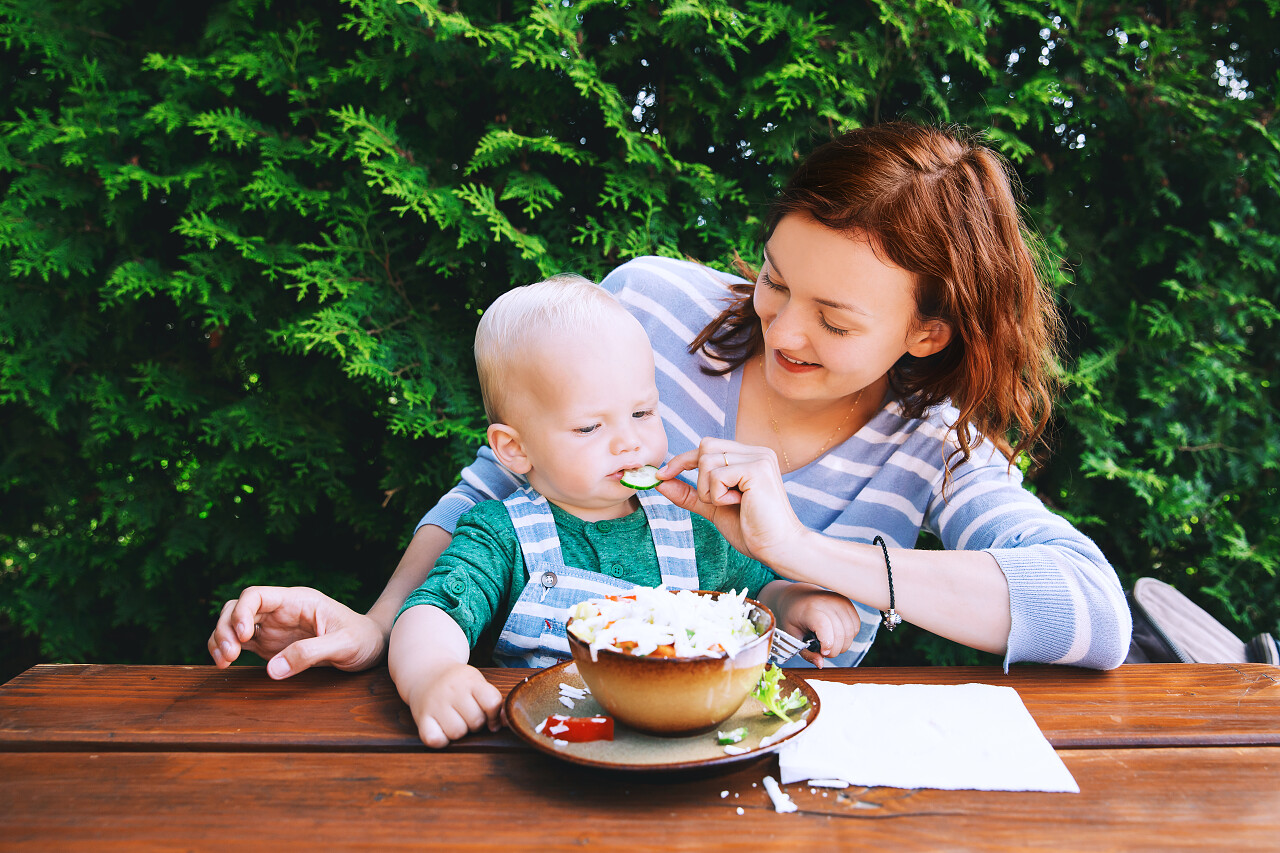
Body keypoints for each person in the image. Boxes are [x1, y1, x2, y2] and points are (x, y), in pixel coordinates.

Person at [209, 121, 1132, 680]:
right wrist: (379, 628)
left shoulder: (938, 443)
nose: (784, 333)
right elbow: (489, 493)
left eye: (837, 322)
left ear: (926, 333)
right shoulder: (650, 305)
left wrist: (801, 552)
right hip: (549, 734)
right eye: (776, 279)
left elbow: (1092, 611)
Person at [385, 275, 860, 746]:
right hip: (558, 743)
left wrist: (795, 602)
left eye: (642, 414)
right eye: (589, 427)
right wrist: (432, 672)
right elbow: (433, 613)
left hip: (681, 741)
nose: (629, 442)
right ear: (514, 448)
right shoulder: (501, 535)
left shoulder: (691, 527)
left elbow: (753, 595)